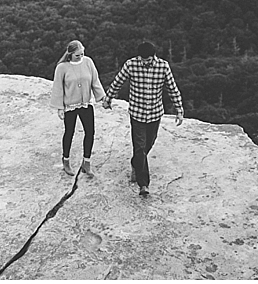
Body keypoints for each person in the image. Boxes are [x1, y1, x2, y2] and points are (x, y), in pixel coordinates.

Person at [102, 40, 184, 197]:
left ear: (153, 56)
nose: (144, 62)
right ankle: (143, 184)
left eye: (147, 60)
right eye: (142, 59)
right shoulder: (131, 65)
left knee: (148, 143)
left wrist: (179, 110)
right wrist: (108, 98)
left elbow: (172, 89)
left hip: (154, 113)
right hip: (137, 113)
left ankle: (135, 163)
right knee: (139, 147)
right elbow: (118, 82)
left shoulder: (163, 66)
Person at [49, 40, 106, 178]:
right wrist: (59, 108)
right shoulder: (62, 67)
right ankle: (66, 160)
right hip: (70, 105)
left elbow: (95, 81)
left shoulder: (88, 62)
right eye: (77, 55)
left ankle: (86, 162)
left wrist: (102, 97)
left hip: (86, 103)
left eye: (82, 54)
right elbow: (58, 88)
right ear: (70, 55)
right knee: (69, 132)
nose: (81, 57)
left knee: (90, 132)